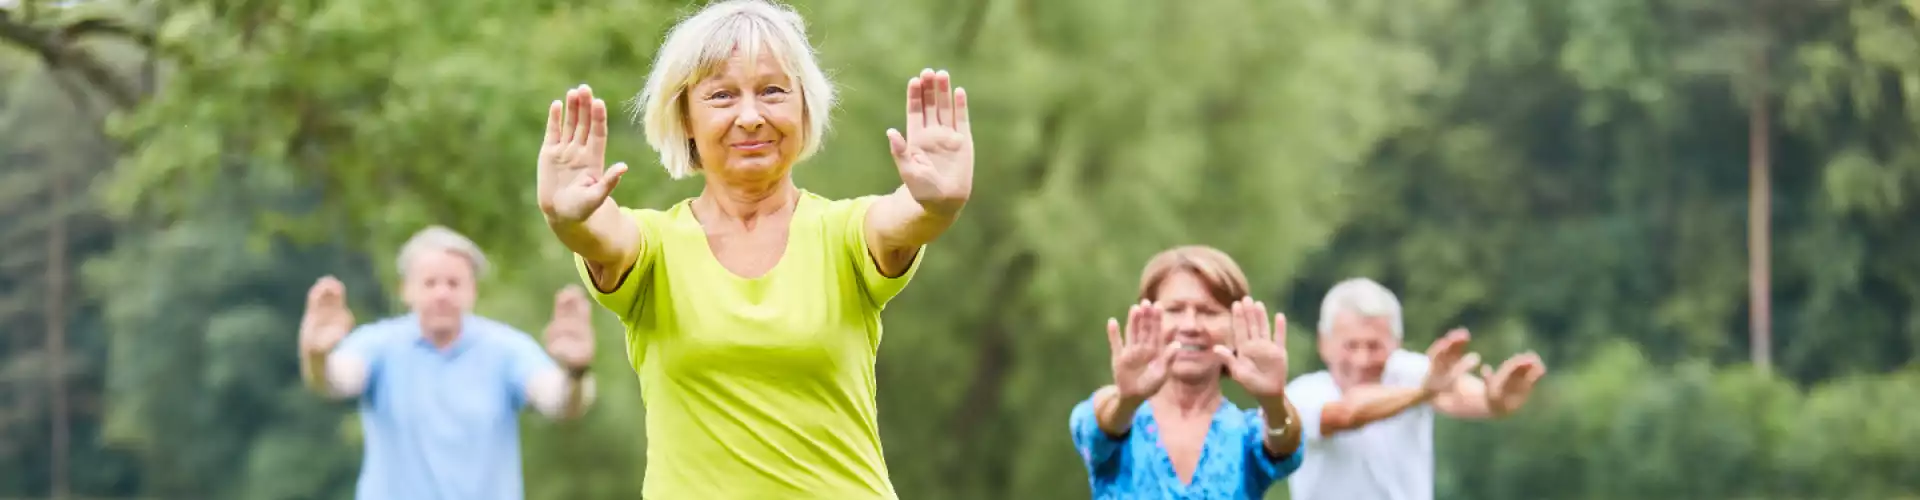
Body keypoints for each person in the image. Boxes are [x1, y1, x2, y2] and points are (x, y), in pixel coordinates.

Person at [531, 0, 973, 497]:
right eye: (721, 96)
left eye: (772, 91)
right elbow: (597, 234)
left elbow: (906, 219)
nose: (750, 116)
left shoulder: (846, 232)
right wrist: (566, 215)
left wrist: (938, 204)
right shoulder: (653, 247)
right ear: (685, 118)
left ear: (804, 108)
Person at [296, 225, 598, 500]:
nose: (442, 293)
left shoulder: (506, 348)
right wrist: (316, 355)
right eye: (430, 283)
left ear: (472, 291)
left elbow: (560, 401)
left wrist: (575, 371)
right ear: (406, 290)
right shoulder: (378, 344)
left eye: (453, 283)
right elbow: (332, 381)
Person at [1068, 246, 1306, 499]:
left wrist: (1273, 402)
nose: (1190, 325)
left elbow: (1285, 448)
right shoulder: (1121, 419)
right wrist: (1127, 401)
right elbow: (1097, 428)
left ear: (1237, 328)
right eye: (1174, 310)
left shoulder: (1247, 433)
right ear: (1146, 320)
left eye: (1208, 312)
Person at [1284, 277, 1547, 500]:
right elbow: (1346, 414)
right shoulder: (1302, 394)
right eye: (1350, 345)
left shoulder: (1408, 371)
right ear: (1323, 343)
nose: (1362, 360)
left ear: (1396, 342)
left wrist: (1495, 400)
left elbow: (1459, 395)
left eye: (1374, 346)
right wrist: (1422, 394)